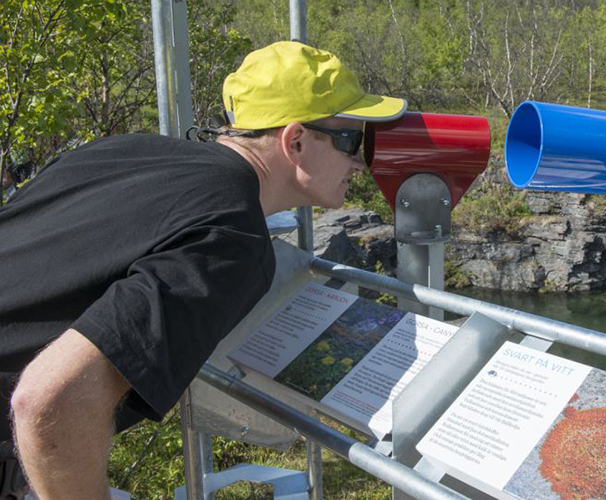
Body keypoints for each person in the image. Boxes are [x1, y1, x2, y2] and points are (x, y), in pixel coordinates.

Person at [0, 41, 406, 500]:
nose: (359, 161)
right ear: (295, 141)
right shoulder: (234, 233)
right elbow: (50, 400)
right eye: (351, 140)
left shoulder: (125, 149)